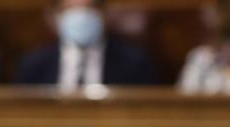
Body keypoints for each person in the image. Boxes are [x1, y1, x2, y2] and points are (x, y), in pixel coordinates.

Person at [15, 0, 156, 87]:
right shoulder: (34, 64)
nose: (81, 16)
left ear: (105, 14)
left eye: (89, 8)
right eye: (71, 9)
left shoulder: (134, 63)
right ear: (53, 17)